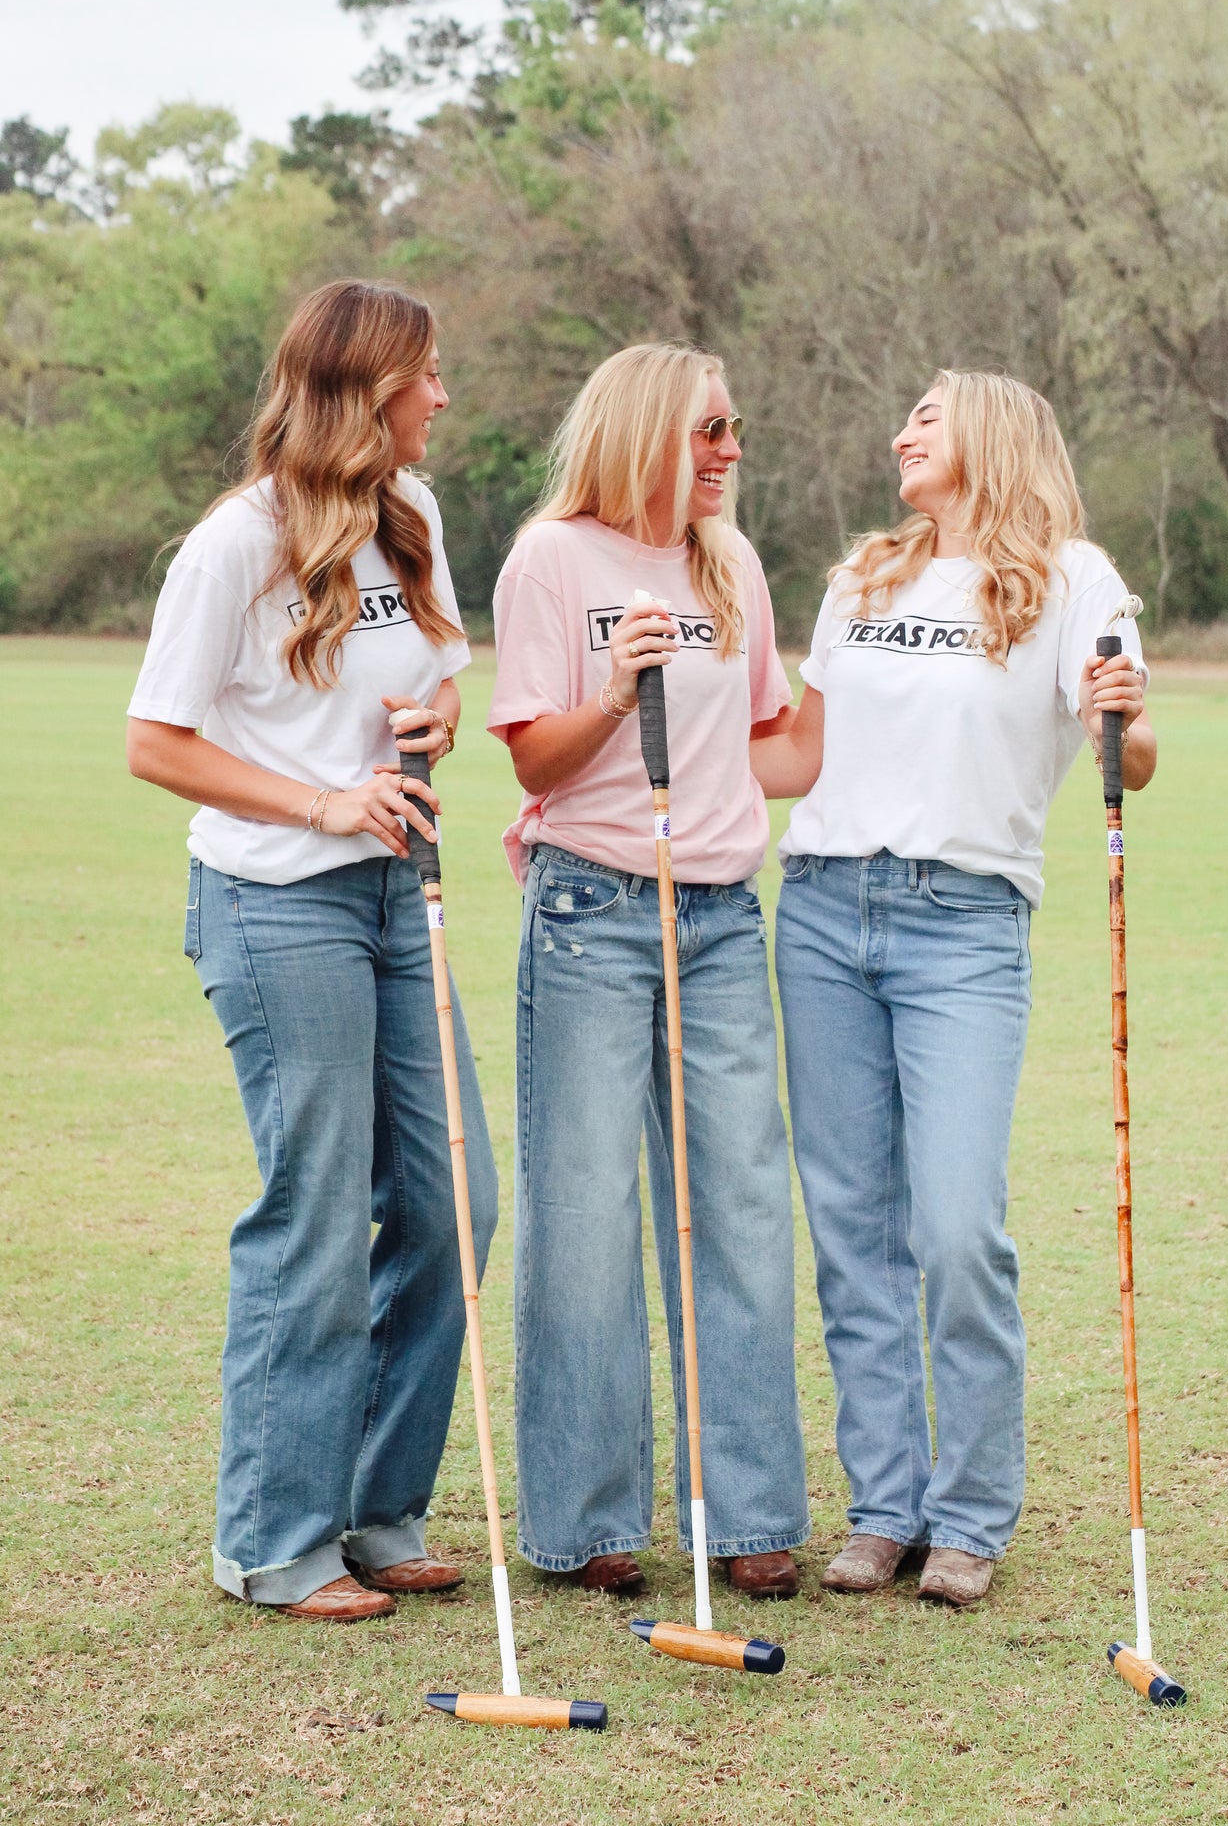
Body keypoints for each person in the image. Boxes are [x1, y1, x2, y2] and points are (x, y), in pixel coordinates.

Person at [752, 368, 1154, 1608]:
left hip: (965, 922)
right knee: (853, 1232)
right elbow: (800, 752)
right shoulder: (859, 576)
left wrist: (1122, 717)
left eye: (922, 419)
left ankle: (970, 1512)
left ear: (986, 432)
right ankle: (884, 1507)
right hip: (820, 909)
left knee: (956, 1226)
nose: (899, 436)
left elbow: (1128, 753)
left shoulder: (1072, 576)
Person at [126, 280, 496, 1624]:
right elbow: (156, 741)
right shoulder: (235, 543)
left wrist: (435, 721)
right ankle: (275, 1542)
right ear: (362, 391)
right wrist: (327, 799)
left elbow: (443, 673)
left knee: (457, 1204)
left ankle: (376, 1507)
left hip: (398, 895)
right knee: (321, 1216)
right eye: (426, 377)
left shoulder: (415, 515)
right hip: (278, 906)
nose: (443, 398)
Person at [488, 342, 809, 1599]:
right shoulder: (550, 560)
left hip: (723, 916)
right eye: (709, 428)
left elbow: (774, 741)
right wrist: (620, 691)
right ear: (642, 433)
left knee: (736, 1207)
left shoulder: (729, 562)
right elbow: (532, 761)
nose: (731, 447)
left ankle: (749, 1515)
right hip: (590, 909)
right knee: (581, 1213)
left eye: (735, 425)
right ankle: (587, 1516)